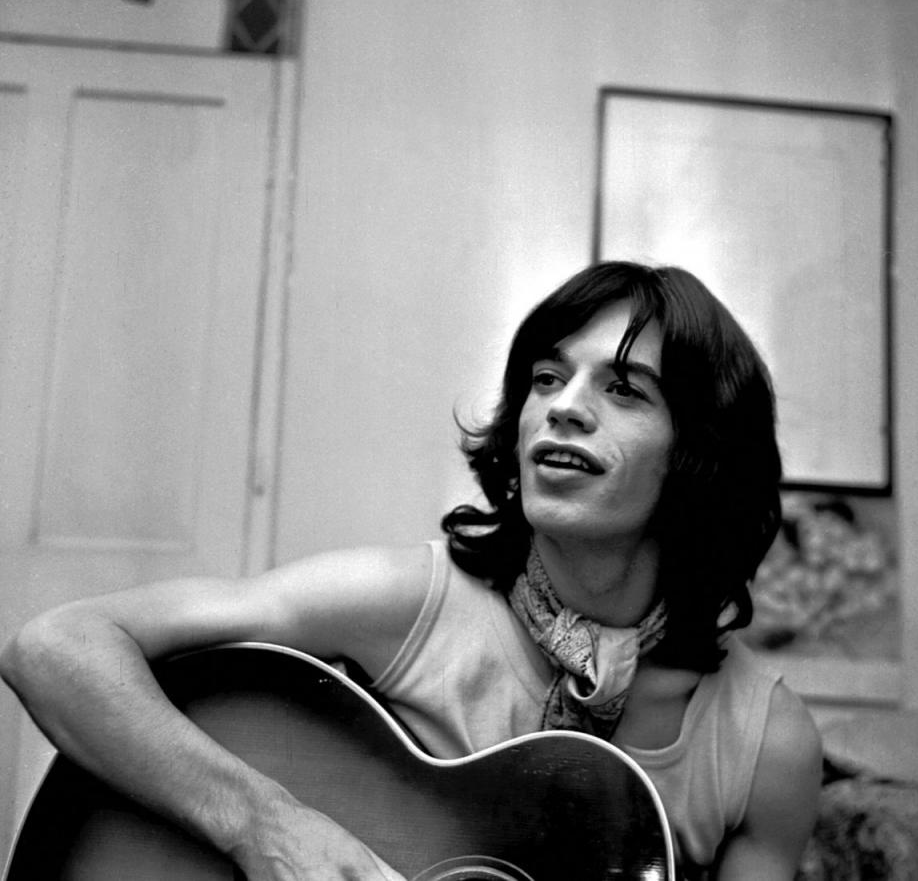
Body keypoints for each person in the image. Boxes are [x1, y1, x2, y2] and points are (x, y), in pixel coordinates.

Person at [1, 260, 822, 880]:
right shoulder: (408, 602)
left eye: (625, 389)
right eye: (546, 376)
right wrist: (264, 823)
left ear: (702, 458)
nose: (565, 404)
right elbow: (57, 646)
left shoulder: (761, 747)